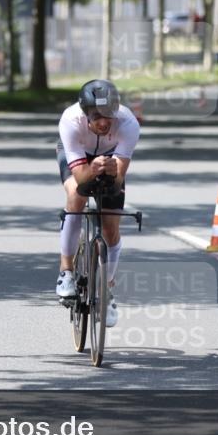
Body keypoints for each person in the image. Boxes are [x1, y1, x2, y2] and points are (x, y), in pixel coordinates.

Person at [55, 79, 140, 327]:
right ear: (85, 113)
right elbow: (81, 177)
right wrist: (92, 169)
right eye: (96, 116)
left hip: (112, 156)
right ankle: (66, 272)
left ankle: (107, 290)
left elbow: (119, 178)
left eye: (108, 116)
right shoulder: (70, 121)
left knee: (111, 228)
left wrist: (114, 171)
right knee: (76, 195)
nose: (104, 122)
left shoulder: (128, 124)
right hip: (79, 156)